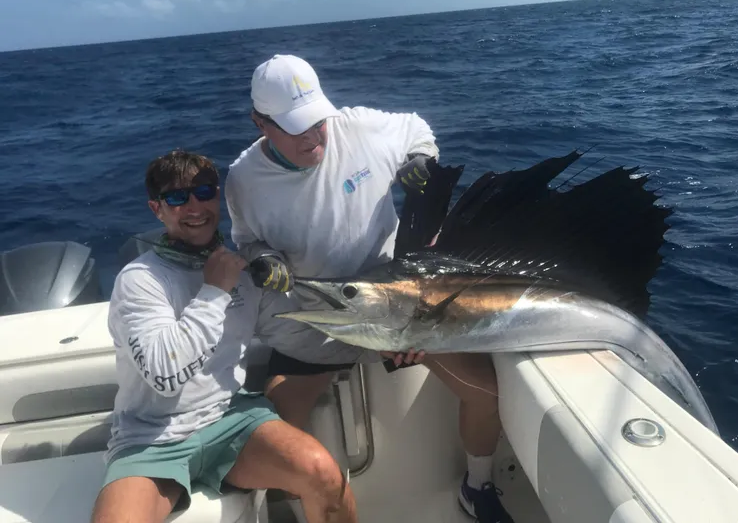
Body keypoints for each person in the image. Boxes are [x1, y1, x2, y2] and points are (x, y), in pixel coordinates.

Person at [224, 54, 514, 523]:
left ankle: (477, 485)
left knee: (484, 391)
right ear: (260, 122)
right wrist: (263, 257)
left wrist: (421, 159)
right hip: (320, 315)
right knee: (277, 426)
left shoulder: (356, 127)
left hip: (397, 304)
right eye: (295, 127)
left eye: (317, 121)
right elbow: (246, 239)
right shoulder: (242, 180)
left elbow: (416, 129)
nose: (314, 136)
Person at [90, 149, 357, 523]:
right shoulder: (140, 281)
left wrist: (386, 340)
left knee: (324, 477)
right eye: (178, 198)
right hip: (151, 437)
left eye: (204, 192)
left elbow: (295, 334)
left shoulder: (244, 270)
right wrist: (214, 293)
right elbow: (165, 377)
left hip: (230, 418)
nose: (195, 206)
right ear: (157, 209)